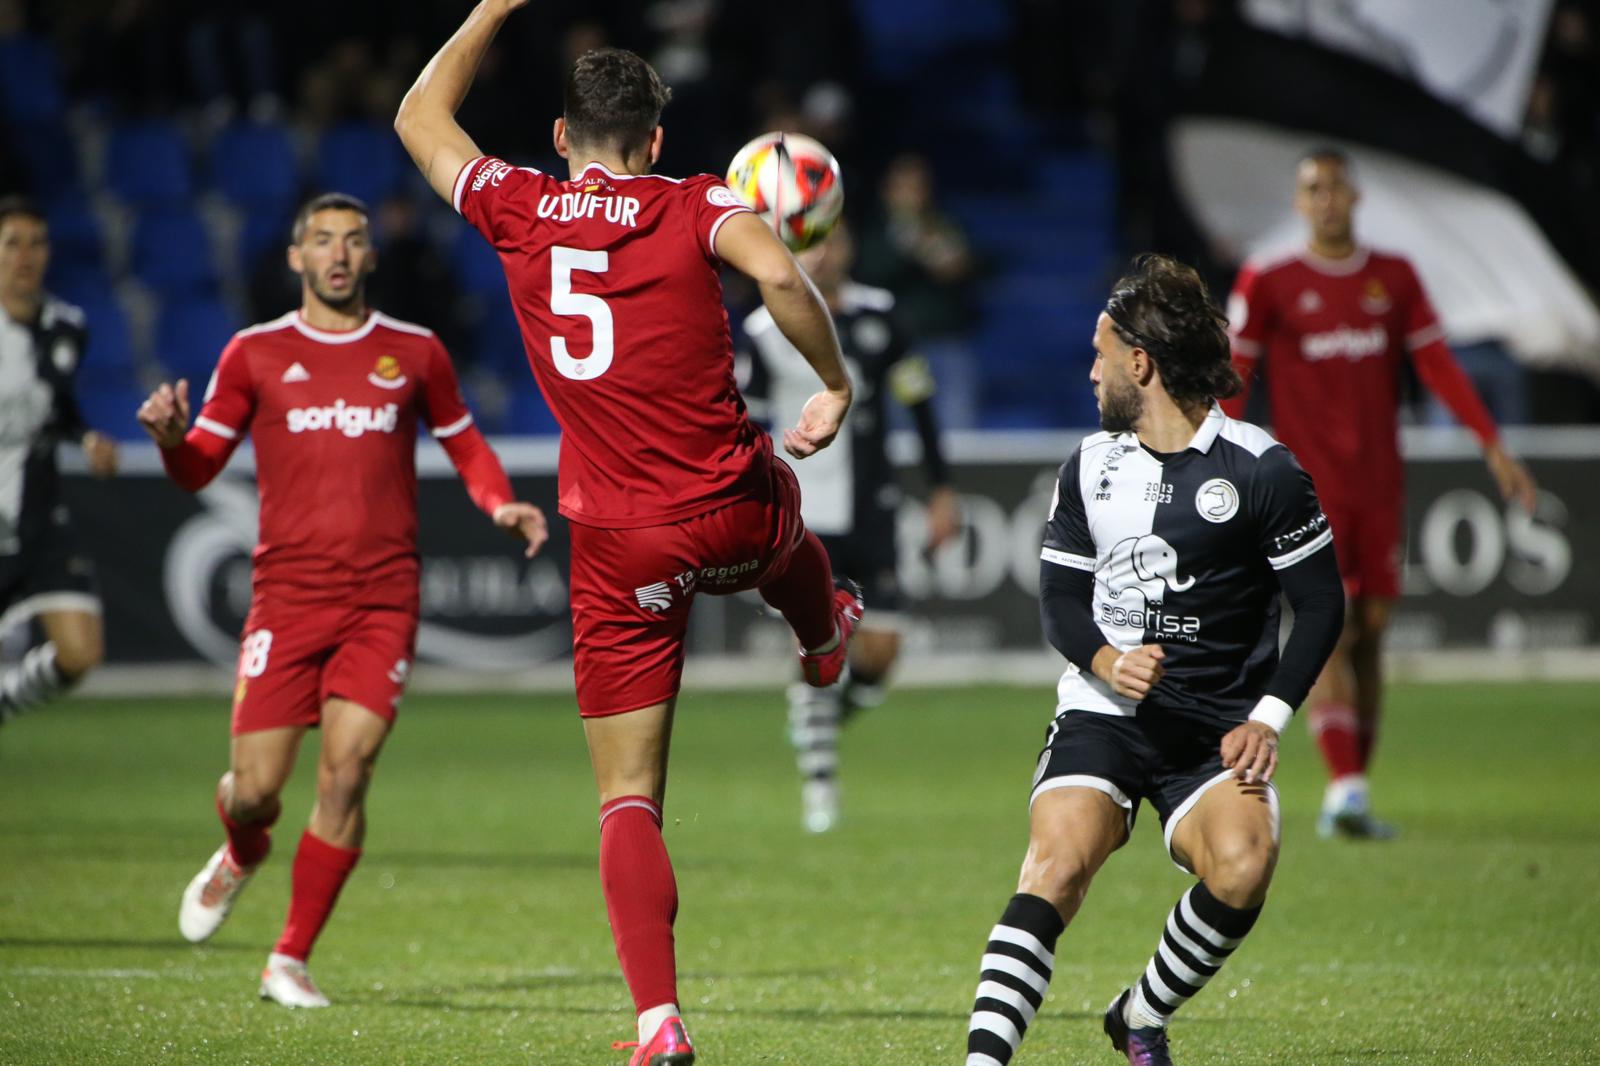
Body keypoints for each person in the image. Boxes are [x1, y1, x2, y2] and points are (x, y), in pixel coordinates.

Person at [394, 5, 861, 1062]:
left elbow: (420, 115)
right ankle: (822, 638)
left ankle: (657, 1020)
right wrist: (833, 383)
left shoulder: (517, 205)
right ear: (656, 139)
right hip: (732, 510)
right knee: (783, 518)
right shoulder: (700, 203)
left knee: (628, 797)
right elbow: (782, 276)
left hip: (621, 540)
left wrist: (491, 10)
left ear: (561, 138)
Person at [136, 192, 547, 1008]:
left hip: (382, 597)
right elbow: (199, 470)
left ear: (370, 258)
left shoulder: (415, 352)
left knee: (347, 772)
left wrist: (499, 502)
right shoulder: (254, 354)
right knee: (255, 792)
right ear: (295, 258)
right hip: (286, 598)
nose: (338, 253)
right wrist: (173, 439)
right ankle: (240, 848)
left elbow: (464, 442)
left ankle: (288, 957)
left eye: (354, 241)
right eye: (321, 240)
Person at [963, 254, 1344, 1066]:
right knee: (1055, 867)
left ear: (1142, 363)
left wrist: (1268, 717)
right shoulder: (1090, 467)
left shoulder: (1261, 471)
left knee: (1244, 865)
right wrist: (1104, 659)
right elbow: (1060, 602)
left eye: (1101, 353)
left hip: (1213, 730)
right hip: (1104, 715)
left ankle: (1138, 1014)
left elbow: (1321, 604)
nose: (1090, 371)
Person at [1223, 148, 1537, 839]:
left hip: (1380, 484)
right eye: (1311, 188)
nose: (1325, 199)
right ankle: (1346, 787)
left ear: (1355, 196)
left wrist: (1492, 444)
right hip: (1306, 490)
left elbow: (1437, 365)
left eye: (1334, 186)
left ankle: (1355, 792)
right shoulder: (1269, 282)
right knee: (1328, 626)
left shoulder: (1391, 279)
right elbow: (1236, 379)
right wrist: (1217, 464)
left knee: (1370, 633)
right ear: (1298, 202)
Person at [740, 220, 959, 833]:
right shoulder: (763, 329)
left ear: (850, 247)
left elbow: (919, 403)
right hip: (803, 514)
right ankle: (820, 790)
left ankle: (818, 722)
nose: (825, 251)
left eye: (834, 238)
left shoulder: (882, 317)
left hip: (873, 506)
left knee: (881, 651)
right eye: (810, 240)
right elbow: (747, 425)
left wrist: (941, 490)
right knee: (817, 647)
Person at [0, 196, 119, 726]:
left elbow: (60, 407)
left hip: (40, 517)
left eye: (37, 242)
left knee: (79, 652)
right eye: (12, 244)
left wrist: (87, 435)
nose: (26, 255)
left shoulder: (67, 327)